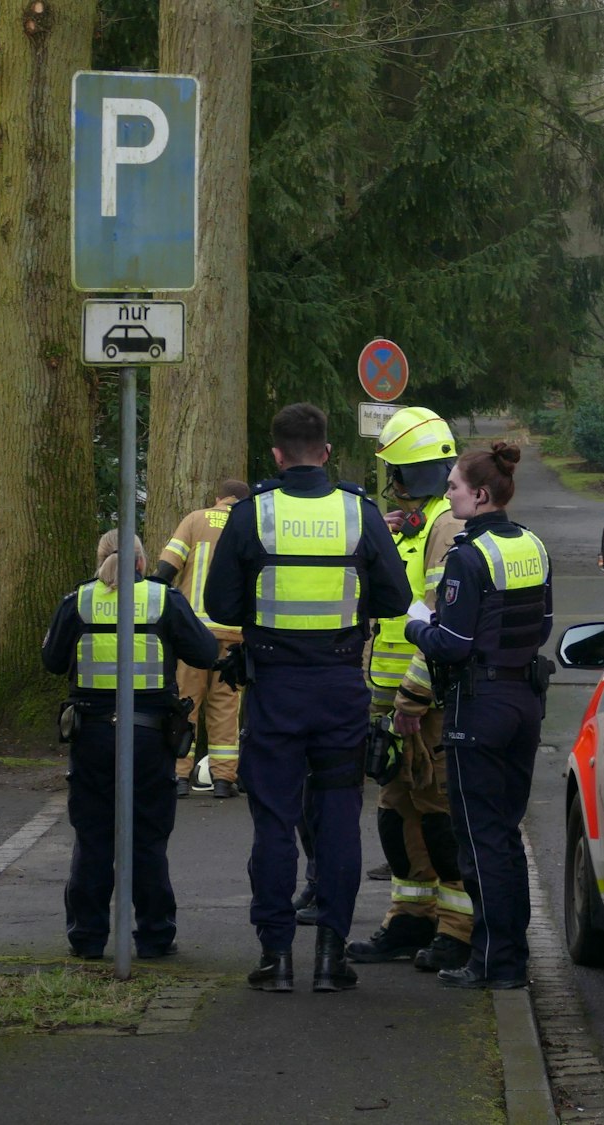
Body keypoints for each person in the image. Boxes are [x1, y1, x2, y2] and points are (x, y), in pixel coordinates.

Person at [204, 403, 411, 992]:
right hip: (341, 687)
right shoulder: (358, 512)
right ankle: (331, 956)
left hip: (273, 689)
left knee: (273, 820)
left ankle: (275, 958)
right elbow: (395, 598)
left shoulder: (253, 515)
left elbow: (220, 607)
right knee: (339, 818)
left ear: (275, 455)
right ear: (325, 452)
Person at [404, 441, 553, 989]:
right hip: (524, 702)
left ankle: (493, 963)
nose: (447, 495)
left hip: (479, 706)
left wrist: (416, 623)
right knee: (504, 834)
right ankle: (512, 956)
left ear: (481, 494)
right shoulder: (533, 546)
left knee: (479, 839)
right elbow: (541, 627)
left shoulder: (467, 557)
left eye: (454, 488)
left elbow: (453, 642)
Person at [41, 530, 218, 960]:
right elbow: (206, 652)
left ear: (100, 559)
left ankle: (87, 937)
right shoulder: (164, 600)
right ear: (141, 563)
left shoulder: (78, 601)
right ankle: (155, 936)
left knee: (94, 836)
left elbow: (51, 661)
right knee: (148, 838)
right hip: (149, 736)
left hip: (93, 735)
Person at [347, 407, 475, 972]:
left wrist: (412, 699)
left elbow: (438, 625)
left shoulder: (447, 526)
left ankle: (456, 928)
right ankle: (409, 917)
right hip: (394, 699)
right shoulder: (418, 522)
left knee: (439, 813)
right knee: (397, 810)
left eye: (396, 471)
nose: (391, 483)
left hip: (427, 703)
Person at [153, 478, 249, 799]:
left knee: (185, 703)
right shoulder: (251, 525)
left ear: (218, 498)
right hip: (234, 634)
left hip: (193, 633)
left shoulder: (195, 519)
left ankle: (179, 777)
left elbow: (167, 567)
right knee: (225, 706)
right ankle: (223, 780)